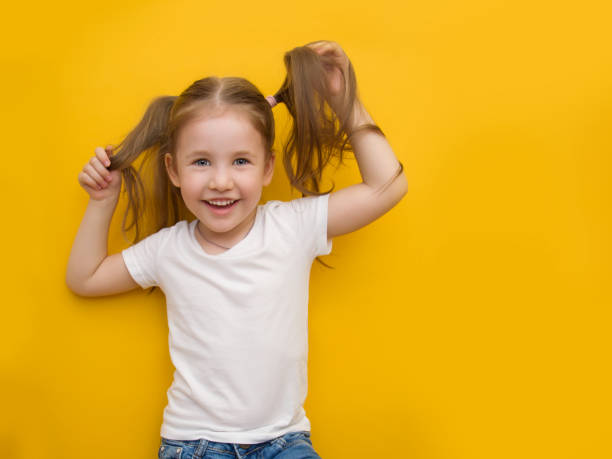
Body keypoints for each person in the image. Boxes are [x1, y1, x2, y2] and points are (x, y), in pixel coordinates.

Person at [66, 40, 408, 459]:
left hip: (284, 442)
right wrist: (101, 202)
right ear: (174, 169)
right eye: (202, 162)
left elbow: (387, 186)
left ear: (267, 167)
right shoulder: (168, 249)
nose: (221, 182)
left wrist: (343, 100)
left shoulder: (291, 227)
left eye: (241, 161)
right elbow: (85, 277)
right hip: (194, 445)